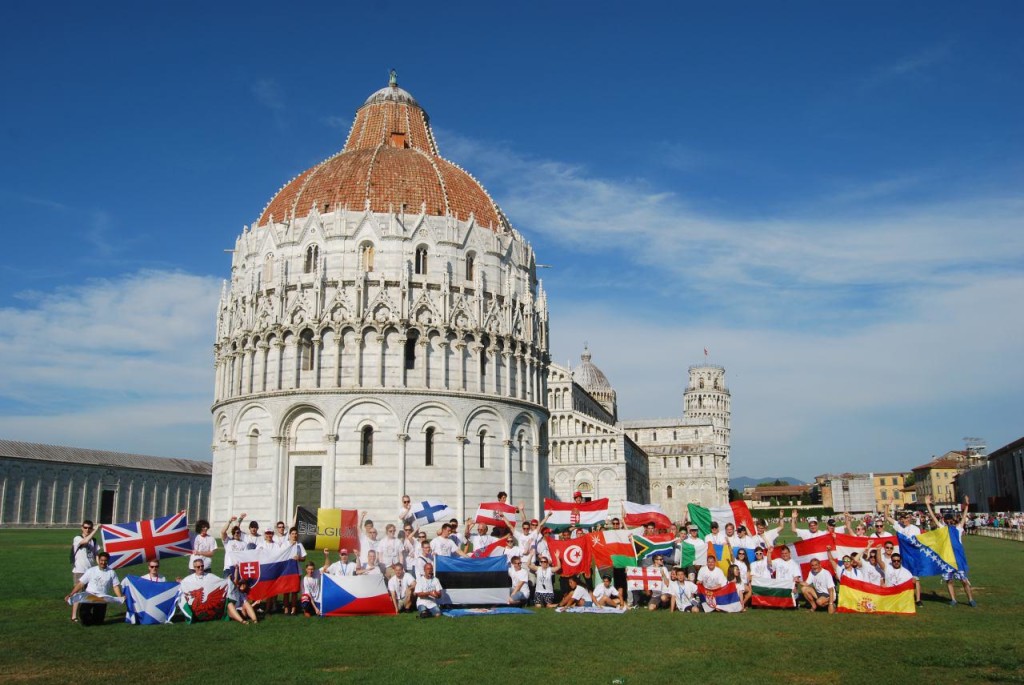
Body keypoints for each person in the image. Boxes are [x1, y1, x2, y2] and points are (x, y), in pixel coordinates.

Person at [925, 495, 977, 607]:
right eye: (946, 520)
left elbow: (963, 517)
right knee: (949, 581)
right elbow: (934, 517)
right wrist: (928, 505)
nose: (949, 522)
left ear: (952, 520)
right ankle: (953, 599)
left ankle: (971, 599)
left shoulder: (958, 528)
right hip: (947, 559)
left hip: (958, 559)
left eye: (950, 520)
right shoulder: (942, 529)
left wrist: (967, 505)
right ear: (944, 520)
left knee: (964, 581)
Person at [65, 551, 123, 626]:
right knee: (84, 617)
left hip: (102, 598)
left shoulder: (111, 572)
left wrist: (119, 597)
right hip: (90, 596)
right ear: (98, 560)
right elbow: (81, 583)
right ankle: (87, 617)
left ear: (107, 561)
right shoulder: (91, 571)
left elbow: (115, 586)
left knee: (98, 622)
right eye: (101, 560)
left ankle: (96, 617)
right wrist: (71, 594)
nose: (103, 562)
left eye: (105, 561)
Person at [70, 519, 101, 622]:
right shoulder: (77, 538)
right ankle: (74, 616)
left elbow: (96, 554)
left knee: (90, 593)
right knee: (78, 593)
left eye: (89, 528)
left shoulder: (94, 540)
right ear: (82, 528)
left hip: (90, 571)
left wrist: (100, 565)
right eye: (85, 527)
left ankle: (86, 614)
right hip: (80, 570)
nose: (87, 530)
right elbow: (85, 541)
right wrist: (95, 530)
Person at [281, 527, 307, 614]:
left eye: (296, 534)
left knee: (295, 591)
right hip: (287, 571)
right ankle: (286, 608)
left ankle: (293, 609)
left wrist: (299, 558)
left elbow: (304, 558)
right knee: (286, 591)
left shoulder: (300, 545)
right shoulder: (285, 544)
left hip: (297, 571)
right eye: (293, 534)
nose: (294, 535)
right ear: (289, 535)